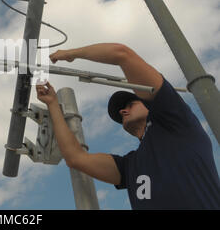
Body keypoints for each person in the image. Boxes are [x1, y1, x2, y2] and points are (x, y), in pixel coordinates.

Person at [36, 43, 220, 209]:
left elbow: (122, 54)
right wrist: (52, 104)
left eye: (130, 104)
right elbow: (75, 158)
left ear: (148, 105)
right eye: (120, 112)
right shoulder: (130, 166)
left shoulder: (176, 122)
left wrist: (71, 53)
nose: (123, 111)